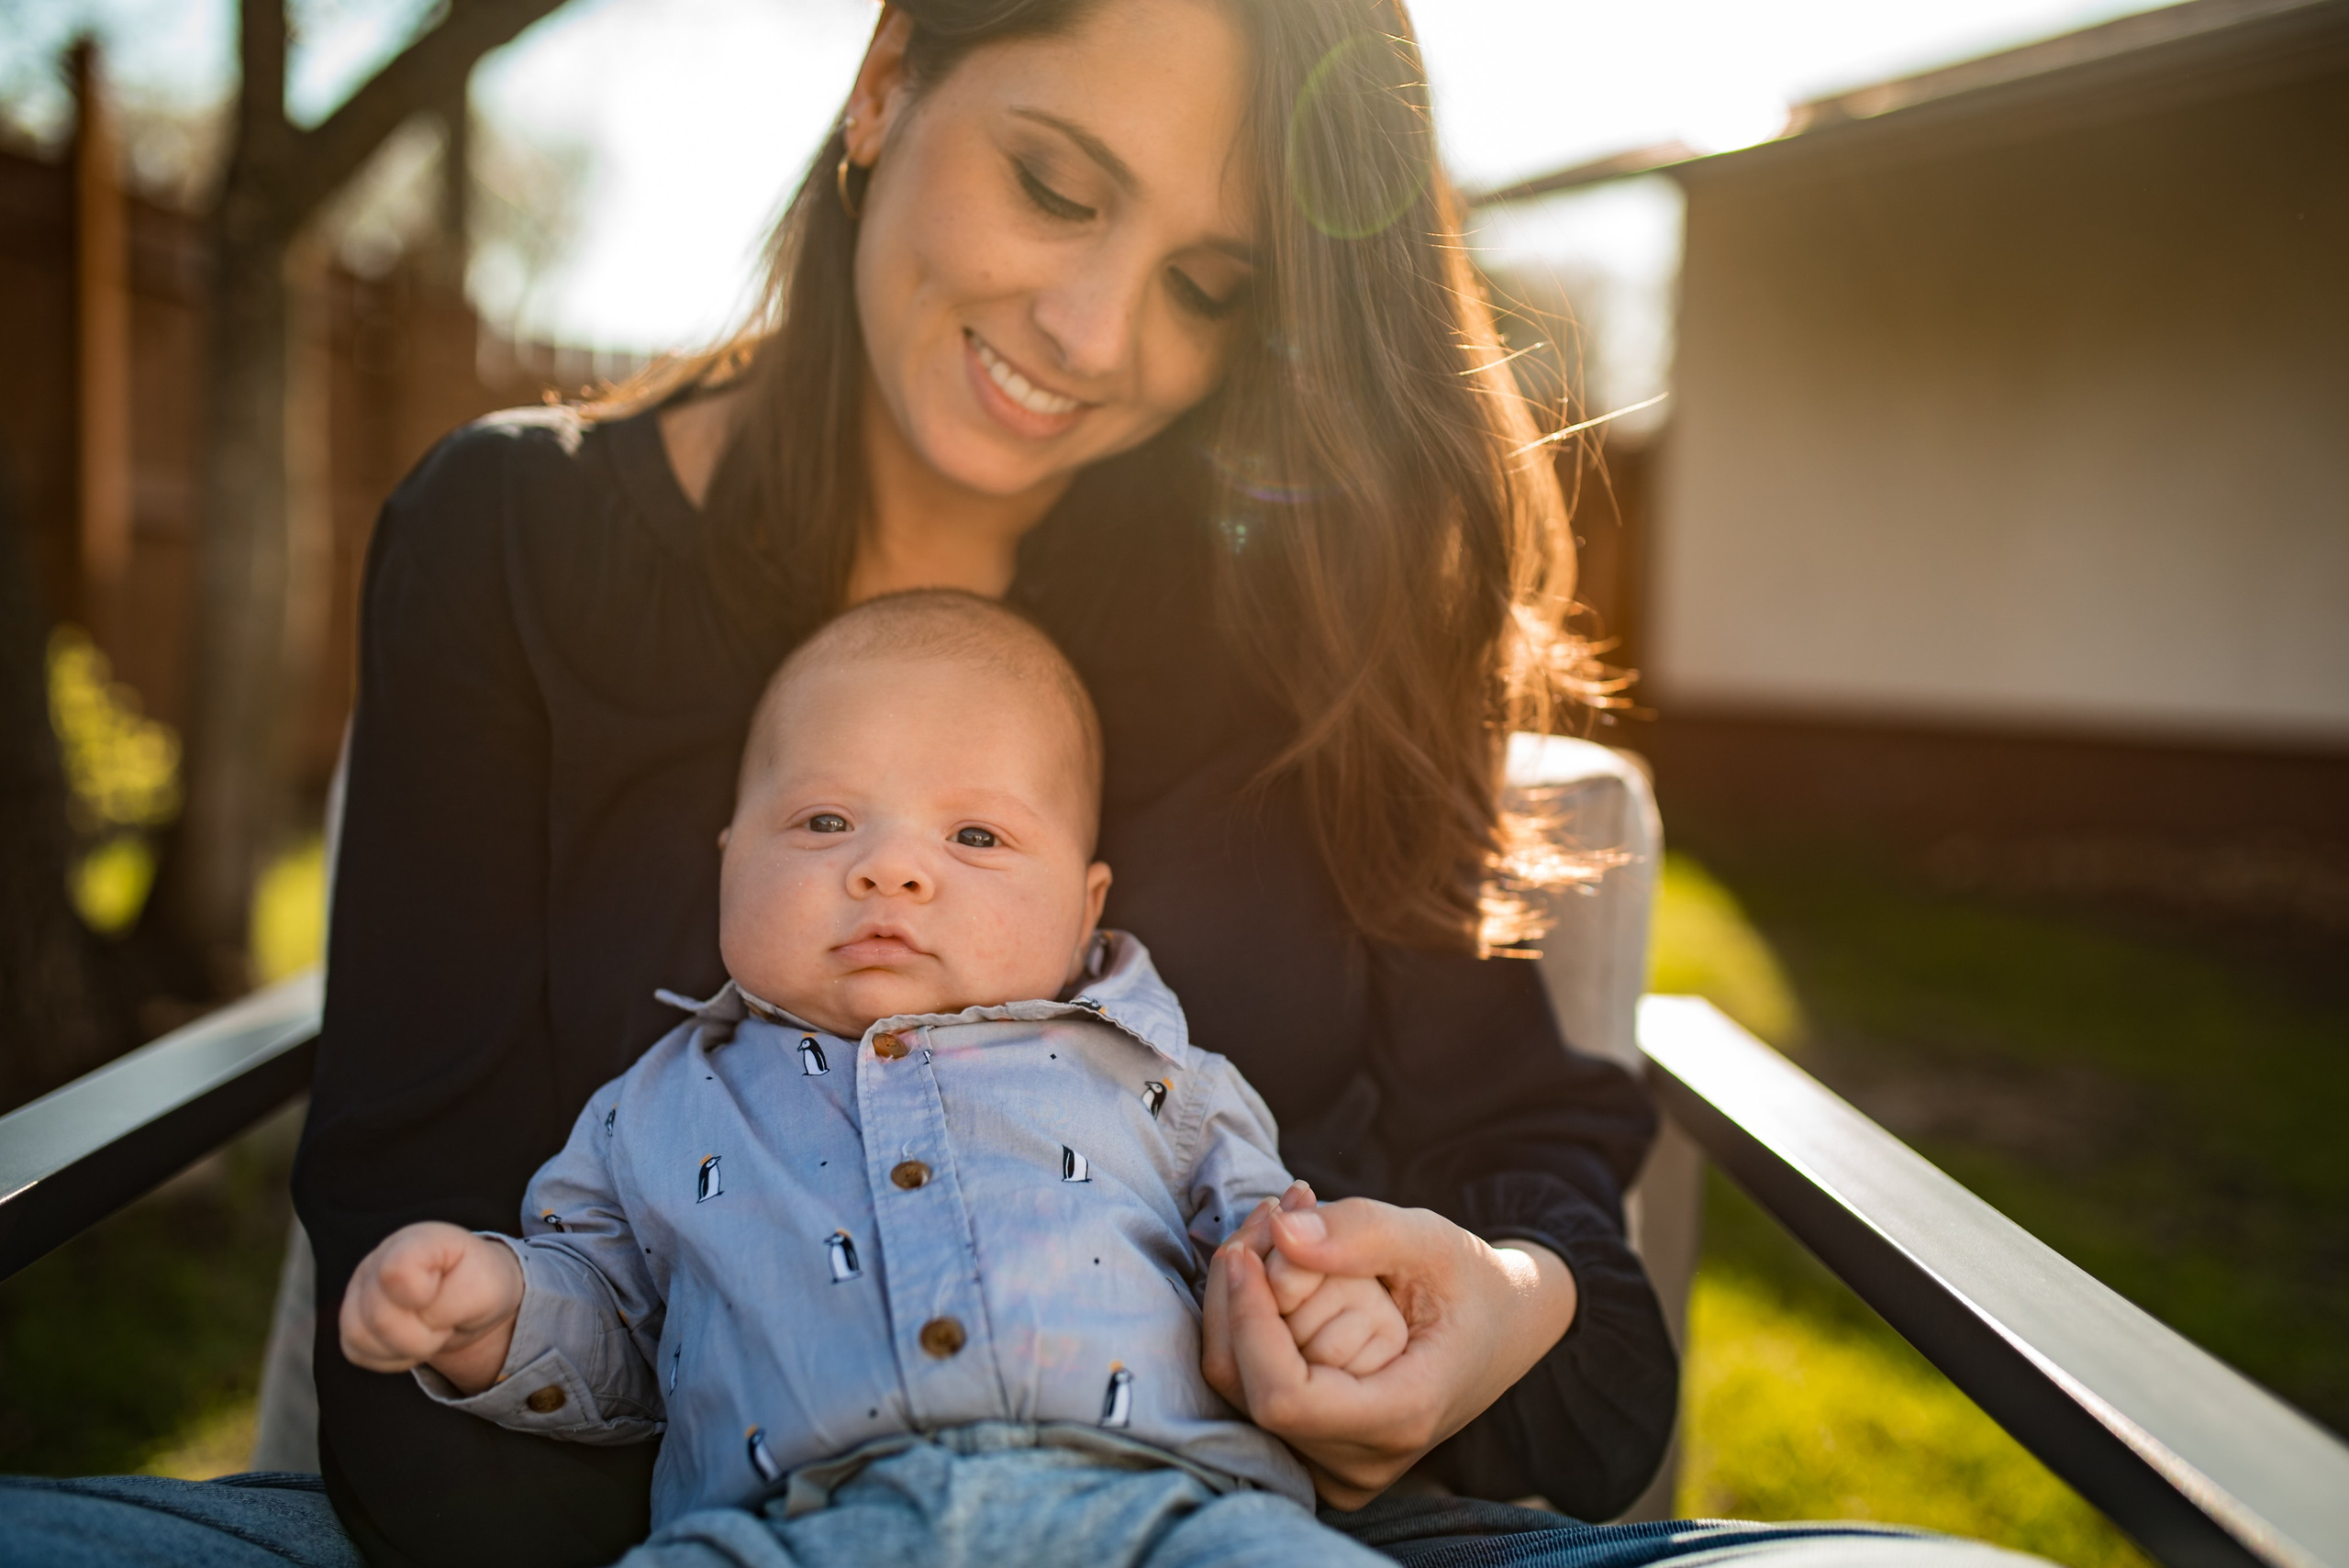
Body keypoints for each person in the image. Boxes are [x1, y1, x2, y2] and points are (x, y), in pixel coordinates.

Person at [0, 3, 2057, 1565]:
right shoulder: (513, 538)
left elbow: (1583, 1336)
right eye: (1059, 185)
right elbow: (409, 1334)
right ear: (890, 73)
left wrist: (1480, 1324)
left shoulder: (1315, 589)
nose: (1092, 331)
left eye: (1208, 284)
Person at [337, 589, 1419, 1565]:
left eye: (976, 834)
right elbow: (618, 1338)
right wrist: (495, 1312)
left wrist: (1329, 1309)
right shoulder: (654, 1106)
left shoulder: (1164, 1078)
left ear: (1085, 908)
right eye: (824, 821)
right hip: (780, 1532)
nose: (890, 865)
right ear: (726, 859)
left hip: (1160, 1516)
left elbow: (1269, 1258)